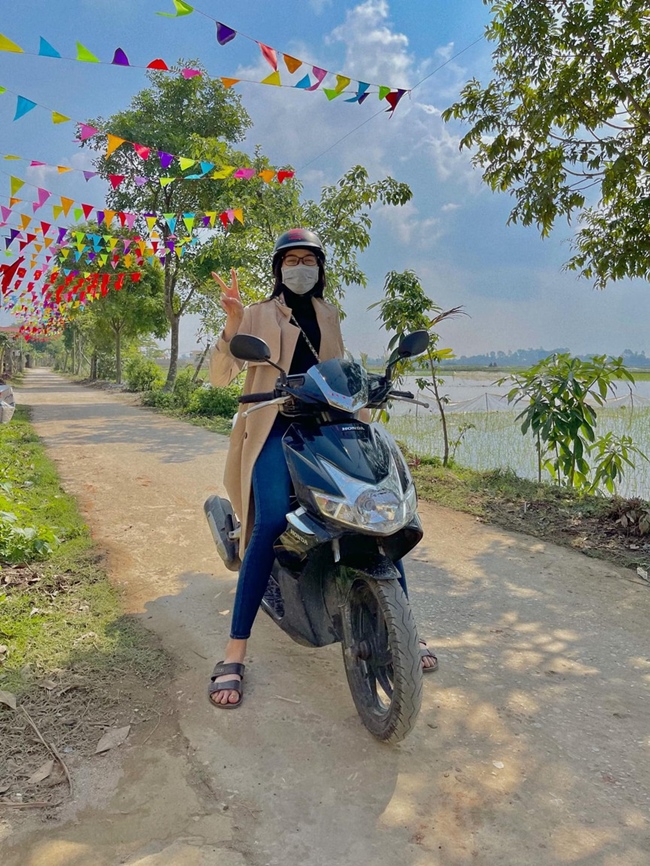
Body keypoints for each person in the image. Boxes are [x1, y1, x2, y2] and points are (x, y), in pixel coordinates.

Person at [207, 228, 437, 708]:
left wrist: (367, 406)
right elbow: (221, 375)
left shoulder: (328, 314)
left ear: (319, 267)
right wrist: (232, 323)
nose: (300, 268)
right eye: (291, 260)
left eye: (308, 260)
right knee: (271, 521)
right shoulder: (258, 313)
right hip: (274, 425)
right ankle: (235, 651)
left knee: (376, 513)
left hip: (326, 426)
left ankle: (404, 632)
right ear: (279, 269)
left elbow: (337, 371)